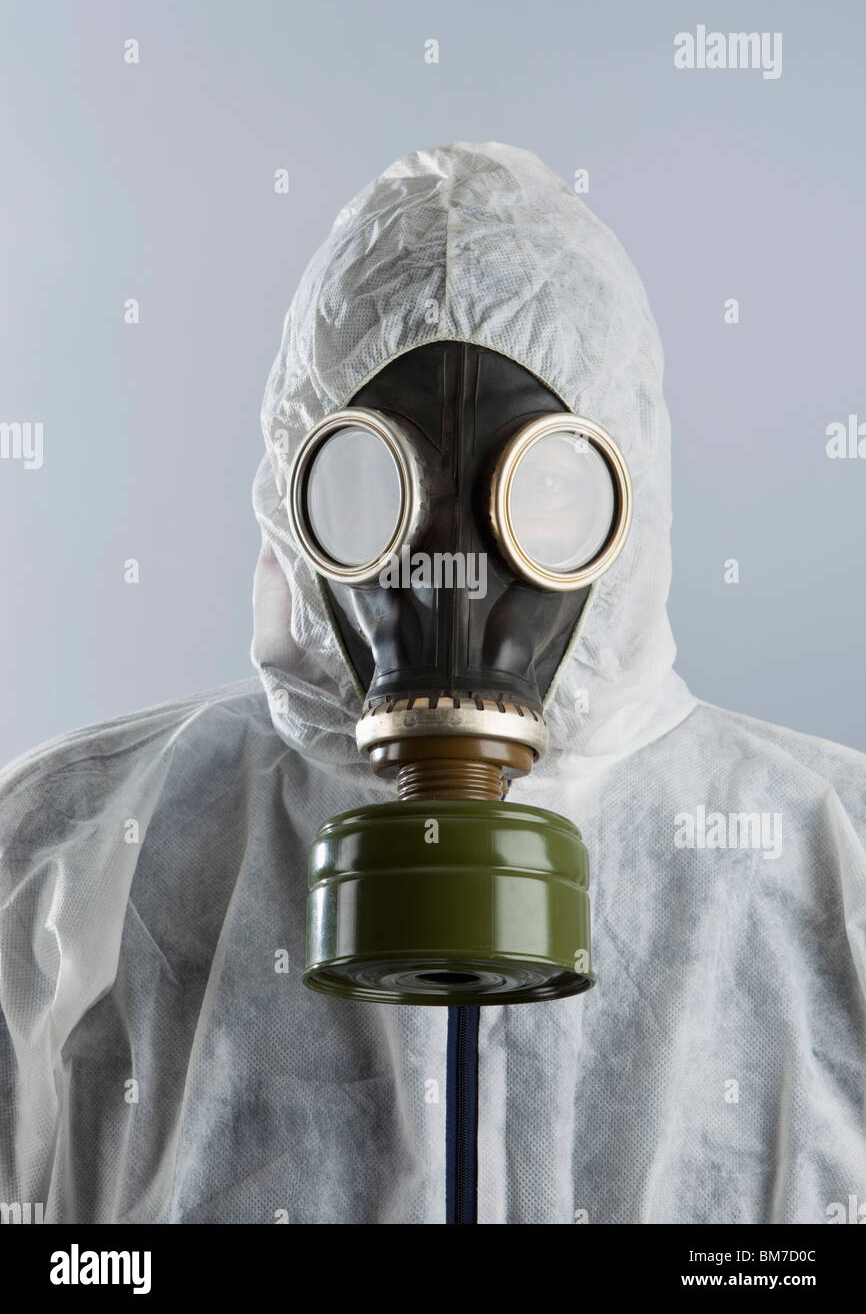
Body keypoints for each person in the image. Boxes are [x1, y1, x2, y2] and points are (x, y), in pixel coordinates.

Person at [1, 142, 864, 1225]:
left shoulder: (836, 872)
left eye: (540, 492)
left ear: (627, 503)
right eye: (378, 485)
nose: (454, 574)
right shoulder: (60, 863)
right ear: (290, 494)